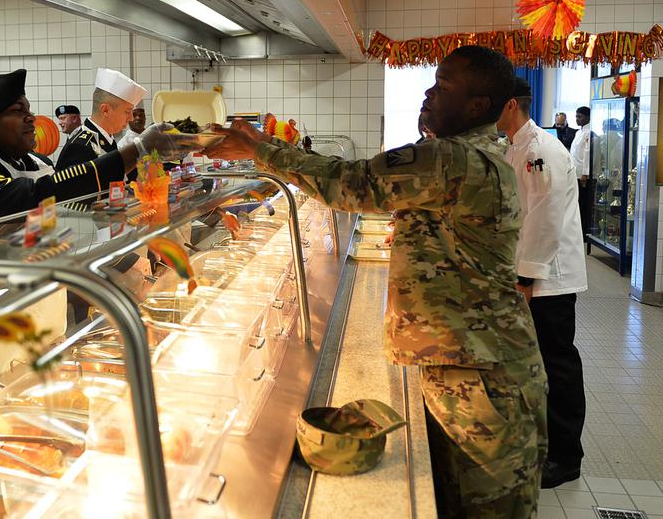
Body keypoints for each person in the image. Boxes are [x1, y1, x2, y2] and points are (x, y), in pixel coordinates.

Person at [204, 46, 547, 518]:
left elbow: (352, 183)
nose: (429, 93)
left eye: (443, 87)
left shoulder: (453, 159)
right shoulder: (473, 155)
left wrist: (260, 149)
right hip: (477, 365)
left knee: (485, 508)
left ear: (478, 106)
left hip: (483, 381)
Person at [0, 69, 191, 430]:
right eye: (17, 111)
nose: (31, 117)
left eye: (29, 108)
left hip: (31, 318)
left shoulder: (35, 163)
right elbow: (32, 199)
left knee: (27, 420)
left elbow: (67, 219)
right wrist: (136, 151)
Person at [497, 78, 589, 489]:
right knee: (539, 363)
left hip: (548, 278)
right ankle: (542, 443)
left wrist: (525, 275)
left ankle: (567, 457)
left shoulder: (541, 150)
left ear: (511, 104)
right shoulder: (516, 145)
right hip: (533, 271)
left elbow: (546, 217)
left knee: (558, 363)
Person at [55, 68, 146, 170]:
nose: (131, 118)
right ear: (105, 110)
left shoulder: (107, 140)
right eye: (127, 111)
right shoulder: (80, 147)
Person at [570, 106, 593, 238]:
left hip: (583, 175)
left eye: (580, 117)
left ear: (588, 117)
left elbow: (587, 154)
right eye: (576, 116)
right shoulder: (579, 132)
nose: (577, 119)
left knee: (584, 204)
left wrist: (585, 173)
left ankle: (584, 232)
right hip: (575, 172)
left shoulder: (589, 132)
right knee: (577, 203)